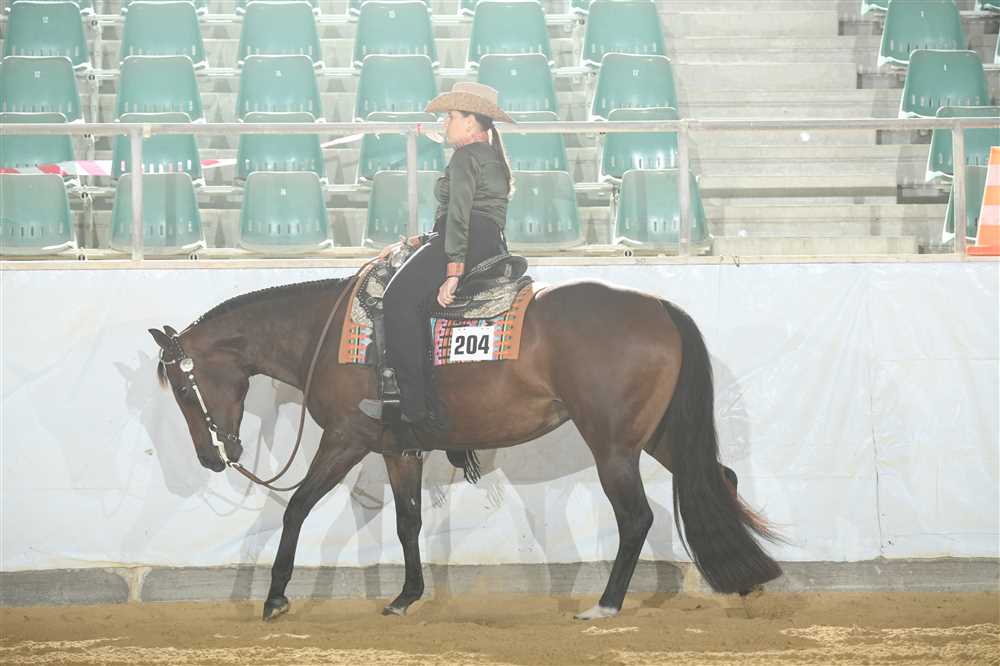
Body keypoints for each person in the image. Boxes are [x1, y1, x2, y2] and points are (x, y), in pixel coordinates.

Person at [361, 82, 515, 439]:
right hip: (482, 239)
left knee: (397, 298)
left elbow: (459, 217)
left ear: (471, 122)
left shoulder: (466, 156)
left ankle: (412, 407)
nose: (445, 123)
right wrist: (414, 242)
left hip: (465, 240)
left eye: (451, 117)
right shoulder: (487, 154)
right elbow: (456, 220)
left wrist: (453, 272)